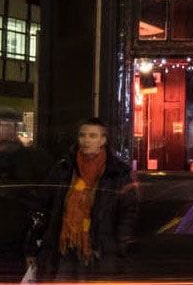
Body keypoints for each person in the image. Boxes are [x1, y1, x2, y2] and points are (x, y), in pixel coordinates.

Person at [28, 118, 138, 281]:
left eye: (92, 136)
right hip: (63, 249)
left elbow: (127, 212)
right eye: (82, 135)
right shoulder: (64, 168)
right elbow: (43, 204)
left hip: (98, 252)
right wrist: (33, 245)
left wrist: (118, 247)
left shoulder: (117, 173)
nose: (86, 140)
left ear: (103, 140)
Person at [0, 111, 53, 282]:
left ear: (15, 129)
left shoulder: (32, 158)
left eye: (7, 125)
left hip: (17, 236)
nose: (2, 130)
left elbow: (42, 196)